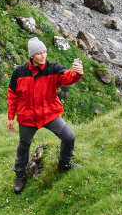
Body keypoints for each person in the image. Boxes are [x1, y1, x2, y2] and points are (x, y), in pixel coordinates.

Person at [7, 37, 84, 194]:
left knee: (69, 138)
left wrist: (77, 73)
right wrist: (10, 117)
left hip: (49, 113)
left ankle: (64, 164)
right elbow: (12, 95)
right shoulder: (19, 72)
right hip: (27, 117)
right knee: (23, 146)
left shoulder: (53, 68)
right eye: (39, 53)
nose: (43, 56)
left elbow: (67, 76)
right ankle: (20, 175)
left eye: (44, 52)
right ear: (32, 56)